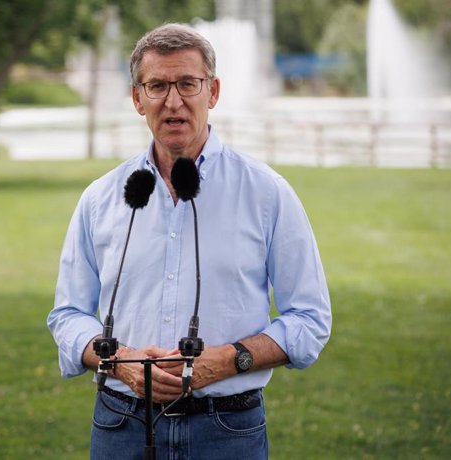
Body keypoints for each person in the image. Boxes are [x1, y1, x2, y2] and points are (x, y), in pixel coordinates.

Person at [47, 23, 331, 459]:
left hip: (227, 429)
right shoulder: (99, 199)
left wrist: (225, 361)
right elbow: (67, 314)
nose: (173, 101)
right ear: (137, 98)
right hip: (120, 425)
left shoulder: (267, 193)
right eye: (157, 85)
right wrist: (119, 360)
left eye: (187, 84)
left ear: (213, 92)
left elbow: (310, 319)